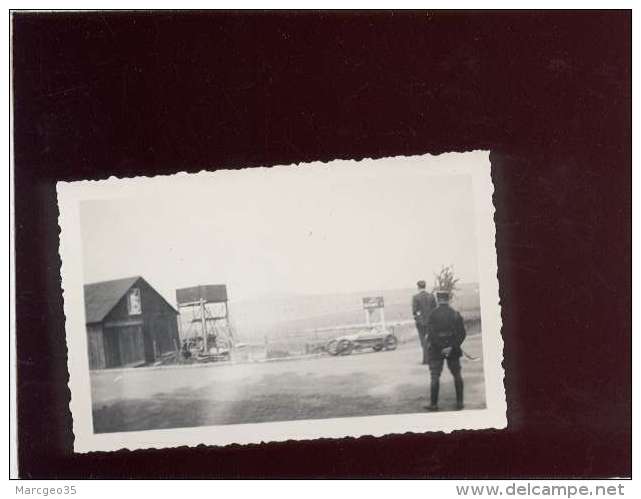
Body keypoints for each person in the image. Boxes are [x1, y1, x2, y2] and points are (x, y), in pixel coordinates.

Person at [424, 289, 466, 411]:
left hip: (437, 350)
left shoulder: (432, 314)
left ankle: (434, 404)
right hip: (453, 349)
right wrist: (451, 346)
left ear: (438, 300)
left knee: (435, 376)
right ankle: (459, 403)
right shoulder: (455, 314)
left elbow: (431, 335)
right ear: (448, 300)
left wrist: (442, 347)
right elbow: (462, 333)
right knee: (457, 374)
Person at [412, 280, 436, 364]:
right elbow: (435, 310)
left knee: (423, 341)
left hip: (421, 323)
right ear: (425, 286)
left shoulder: (415, 297)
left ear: (418, 287)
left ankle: (426, 360)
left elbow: (415, 311)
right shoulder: (431, 296)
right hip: (431, 322)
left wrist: (418, 319)